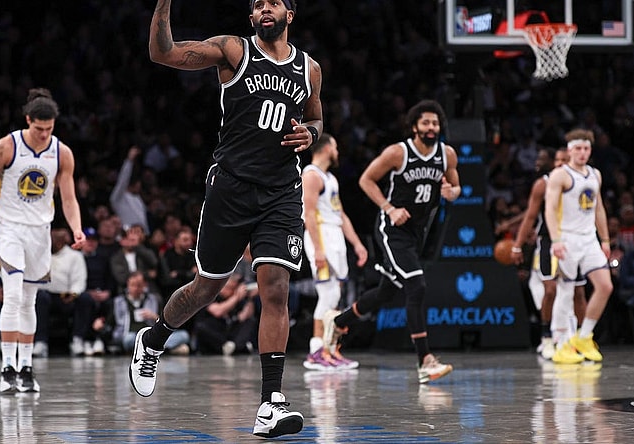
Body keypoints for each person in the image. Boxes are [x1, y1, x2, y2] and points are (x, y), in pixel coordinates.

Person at [131, 0, 323, 437]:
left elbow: (316, 117)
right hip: (231, 189)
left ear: (290, 14)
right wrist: (163, 6)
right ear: (251, 17)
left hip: (281, 191)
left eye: (273, 2)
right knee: (206, 287)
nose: (264, 9)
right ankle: (155, 338)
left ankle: (270, 403)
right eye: (257, 5)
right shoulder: (234, 51)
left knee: (275, 289)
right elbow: (163, 53)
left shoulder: (310, 68)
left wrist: (309, 134)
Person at [325, 99, 460, 384]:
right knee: (416, 285)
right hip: (392, 230)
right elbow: (366, 180)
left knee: (386, 292)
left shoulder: (447, 155)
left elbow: (455, 186)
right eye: (425, 122)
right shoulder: (398, 152)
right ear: (414, 127)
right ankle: (425, 360)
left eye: (435, 123)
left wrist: (452, 192)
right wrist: (389, 208)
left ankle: (339, 323)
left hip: (417, 232)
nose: (431, 127)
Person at [0, 88, 85, 394]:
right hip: (8, 226)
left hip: (39, 230)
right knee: (12, 294)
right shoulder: (6, 147)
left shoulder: (62, 152)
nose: (43, 135)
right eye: (38, 129)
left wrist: (76, 228)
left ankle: (26, 368)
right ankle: (7, 368)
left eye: (49, 129)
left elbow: (69, 198)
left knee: (29, 300)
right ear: (28, 121)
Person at [510, 147, 587, 360]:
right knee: (550, 290)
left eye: (565, 160)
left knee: (579, 292)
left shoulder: (582, 180)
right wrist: (517, 245)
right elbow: (530, 217)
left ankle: (582, 339)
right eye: (558, 160)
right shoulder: (543, 184)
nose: (561, 164)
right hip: (549, 242)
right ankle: (546, 338)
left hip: (575, 241)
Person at [544, 129, 613, 364]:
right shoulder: (559, 175)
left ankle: (584, 337)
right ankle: (562, 344)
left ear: (590, 150)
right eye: (578, 148)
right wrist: (555, 240)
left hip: (589, 238)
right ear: (570, 150)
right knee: (565, 291)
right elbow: (550, 209)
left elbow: (599, 208)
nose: (582, 152)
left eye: (586, 148)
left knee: (605, 286)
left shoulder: (595, 175)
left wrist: (605, 239)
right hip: (567, 237)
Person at [300, 133, 367, 371]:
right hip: (321, 237)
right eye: (336, 147)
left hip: (335, 236)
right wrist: (318, 249)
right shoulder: (311, 175)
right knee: (327, 295)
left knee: (335, 296)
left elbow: (340, 216)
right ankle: (316, 351)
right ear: (327, 148)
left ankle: (330, 350)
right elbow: (308, 215)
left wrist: (357, 244)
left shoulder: (330, 178)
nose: (337, 152)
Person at [33, 228, 88, 357]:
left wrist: (73, 293)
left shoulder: (74, 256)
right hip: (44, 295)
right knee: (40, 298)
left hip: (65, 296)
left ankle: (77, 339)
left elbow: (79, 279)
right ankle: (40, 342)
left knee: (85, 299)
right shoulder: (39, 255)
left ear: (60, 242)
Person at [111, 271, 190, 355]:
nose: (135, 288)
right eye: (132, 285)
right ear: (128, 284)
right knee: (129, 339)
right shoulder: (118, 302)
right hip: (130, 335)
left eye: (139, 285)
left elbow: (163, 321)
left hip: (151, 335)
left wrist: (154, 317)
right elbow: (113, 325)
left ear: (145, 285)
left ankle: (149, 350)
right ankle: (160, 349)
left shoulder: (153, 299)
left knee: (184, 335)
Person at [192, 274, 258, 356]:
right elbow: (218, 312)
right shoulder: (211, 296)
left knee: (250, 321)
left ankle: (234, 346)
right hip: (214, 335)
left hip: (228, 331)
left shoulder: (237, 300)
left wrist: (249, 298)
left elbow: (244, 317)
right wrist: (236, 297)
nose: (227, 291)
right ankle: (235, 346)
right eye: (227, 287)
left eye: (232, 288)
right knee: (202, 327)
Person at [110, 146, 151, 235]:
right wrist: (129, 161)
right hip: (126, 235)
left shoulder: (138, 199)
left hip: (142, 236)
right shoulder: (118, 197)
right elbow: (123, 180)